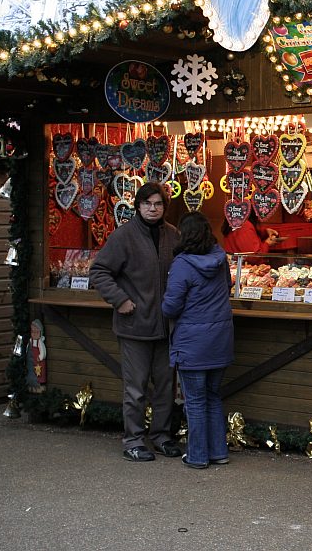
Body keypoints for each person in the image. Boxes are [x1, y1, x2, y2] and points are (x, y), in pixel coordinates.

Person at [89, 182, 182, 462]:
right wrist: (120, 300)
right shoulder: (124, 236)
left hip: (166, 326)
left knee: (166, 387)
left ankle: (162, 436)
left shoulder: (173, 235)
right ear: (138, 206)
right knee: (136, 388)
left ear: (165, 207)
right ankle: (133, 440)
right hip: (134, 325)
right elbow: (100, 271)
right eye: (147, 204)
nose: (153, 209)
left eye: (158, 204)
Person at [162, 212, 235, 469]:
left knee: (194, 401)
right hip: (220, 338)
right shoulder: (220, 258)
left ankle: (197, 456)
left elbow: (171, 306)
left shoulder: (182, 264)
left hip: (192, 342)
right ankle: (218, 452)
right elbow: (227, 287)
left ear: (184, 234)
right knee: (213, 397)